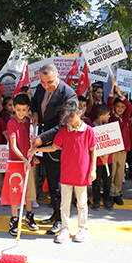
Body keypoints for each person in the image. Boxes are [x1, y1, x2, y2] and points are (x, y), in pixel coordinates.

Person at [28, 99, 97, 244]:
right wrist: (37, 149)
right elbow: (53, 147)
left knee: (82, 203)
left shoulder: (89, 130)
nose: (69, 120)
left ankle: (83, 228)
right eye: (67, 117)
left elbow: (93, 150)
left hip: (82, 173)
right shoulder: (64, 130)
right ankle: (65, 229)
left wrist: (93, 169)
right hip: (66, 172)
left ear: (80, 113)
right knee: (64, 203)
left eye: (71, 116)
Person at [28, 63, 78, 236]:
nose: (46, 86)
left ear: (58, 76)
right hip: (43, 143)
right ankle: (55, 213)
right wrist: (35, 112)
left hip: (58, 144)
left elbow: (64, 124)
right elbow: (34, 102)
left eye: (50, 82)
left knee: (58, 184)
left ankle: (60, 220)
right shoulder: (41, 88)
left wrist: (42, 138)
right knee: (50, 180)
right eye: (43, 82)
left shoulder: (68, 94)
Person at [6, 94, 38, 234]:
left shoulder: (29, 122)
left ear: (28, 109)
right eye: (18, 109)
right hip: (16, 163)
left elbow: (31, 142)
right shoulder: (11, 123)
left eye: (24, 110)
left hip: (28, 162)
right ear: (13, 108)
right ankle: (13, 219)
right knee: (15, 192)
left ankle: (29, 217)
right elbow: (13, 146)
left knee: (29, 191)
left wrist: (33, 155)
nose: (21, 113)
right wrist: (24, 159)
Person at [89, 104, 115, 209]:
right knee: (96, 181)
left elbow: (112, 142)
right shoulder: (92, 128)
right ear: (101, 116)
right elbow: (92, 145)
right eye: (107, 115)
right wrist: (100, 156)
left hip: (108, 159)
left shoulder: (109, 127)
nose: (109, 117)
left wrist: (107, 154)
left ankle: (107, 198)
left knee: (107, 180)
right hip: (97, 160)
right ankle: (96, 199)